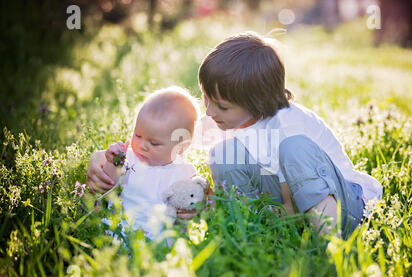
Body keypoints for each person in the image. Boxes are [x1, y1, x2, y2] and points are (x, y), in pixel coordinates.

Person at [88, 32, 383, 239]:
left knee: (295, 150)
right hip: (286, 208)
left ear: (255, 103)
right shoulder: (224, 121)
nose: (211, 112)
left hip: (343, 205)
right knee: (223, 153)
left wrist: (278, 210)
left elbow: (290, 197)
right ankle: (249, 225)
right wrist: (104, 158)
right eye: (206, 98)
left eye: (222, 106)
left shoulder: (289, 126)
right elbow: (159, 141)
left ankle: (328, 245)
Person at [90, 86, 201, 240]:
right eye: (138, 135)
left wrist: (195, 206)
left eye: (154, 143)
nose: (142, 145)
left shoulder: (184, 172)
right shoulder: (130, 159)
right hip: (123, 230)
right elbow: (109, 183)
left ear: (181, 147)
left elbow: (194, 202)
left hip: (162, 238)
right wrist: (112, 162)